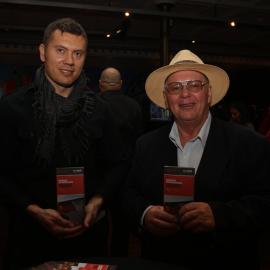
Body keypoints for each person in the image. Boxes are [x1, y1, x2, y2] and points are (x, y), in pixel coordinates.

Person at [123, 49, 270, 270]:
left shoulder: (249, 143)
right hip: (160, 260)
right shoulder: (146, 144)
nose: (185, 94)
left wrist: (219, 216)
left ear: (209, 94)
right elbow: (128, 194)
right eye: (175, 87)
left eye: (194, 85)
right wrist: (145, 214)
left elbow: (265, 202)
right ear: (166, 98)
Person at [0, 18, 127, 269]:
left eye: (77, 53)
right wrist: (33, 210)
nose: (69, 61)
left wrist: (99, 199)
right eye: (61, 50)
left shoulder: (101, 110)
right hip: (30, 238)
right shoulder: (13, 108)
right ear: (42, 52)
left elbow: (119, 164)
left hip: (87, 238)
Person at [99, 67, 143, 256]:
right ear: (121, 84)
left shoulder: (93, 104)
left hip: (98, 176)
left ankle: (97, 261)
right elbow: (139, 141)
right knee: (121, 227)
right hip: (125, 175)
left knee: (97, 222)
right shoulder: (134, 106)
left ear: (100, 84)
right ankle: (119, 261)